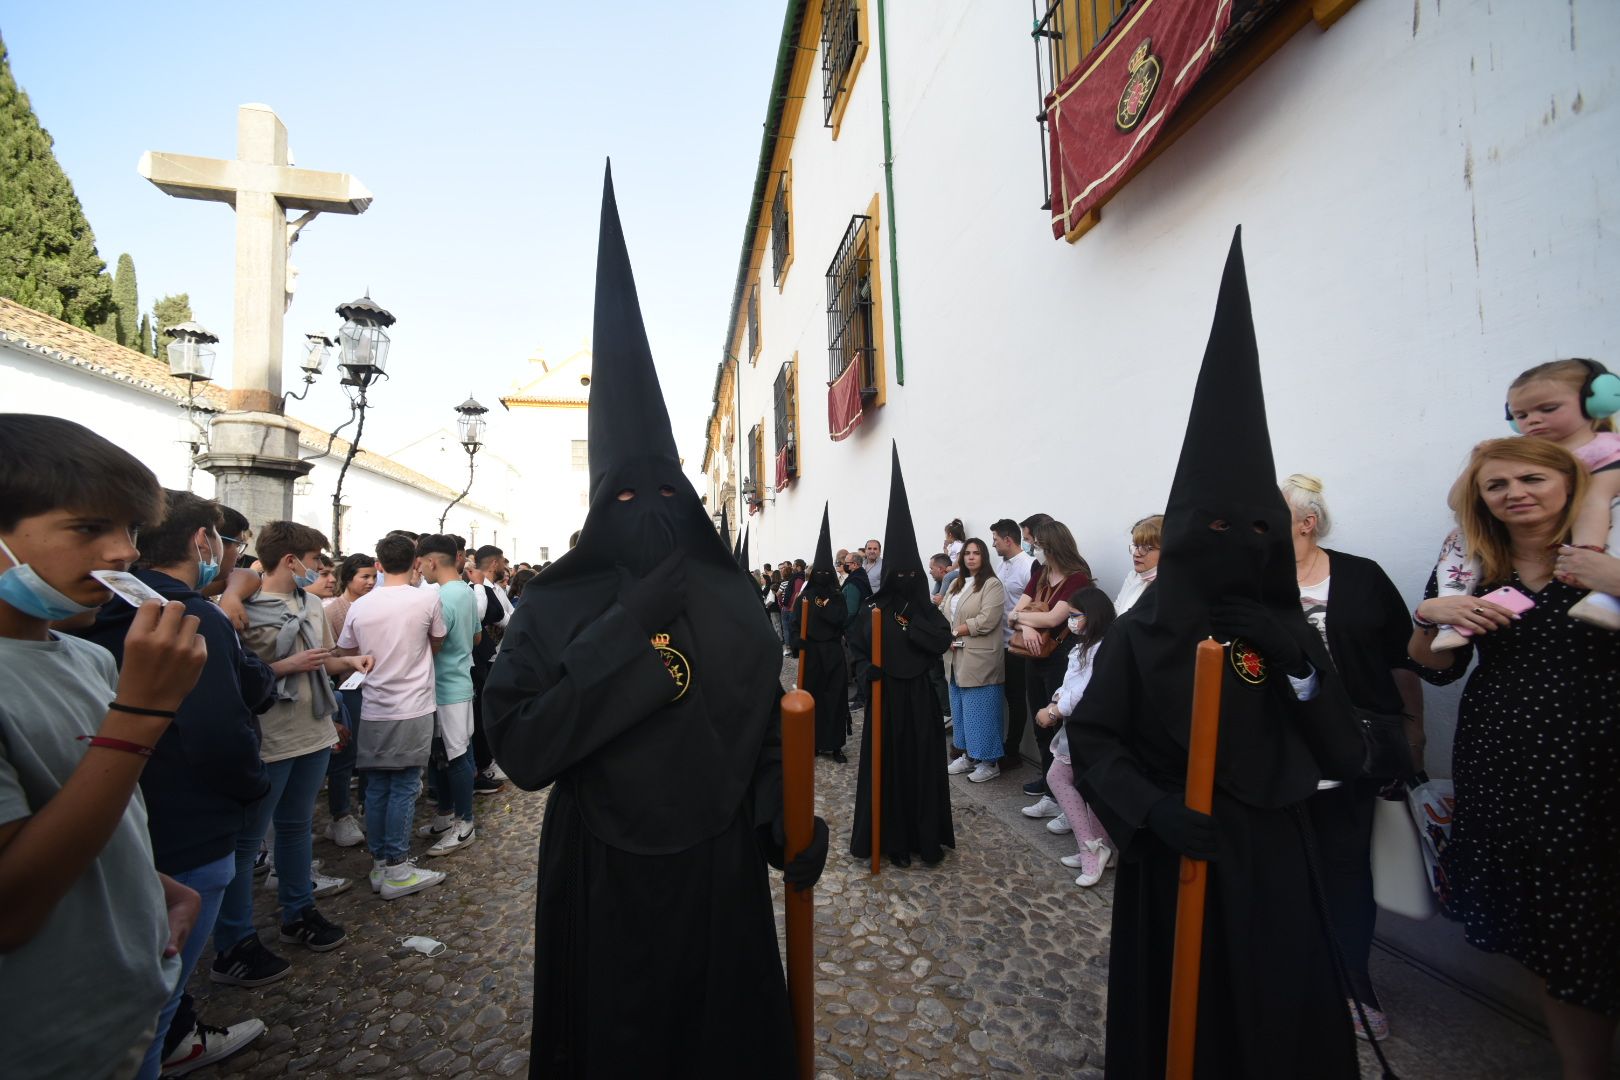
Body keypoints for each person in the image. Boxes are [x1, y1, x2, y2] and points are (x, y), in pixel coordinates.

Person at [483, 166, 827, 1075]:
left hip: (718, 878)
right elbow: (521, 750)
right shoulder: (554, 606)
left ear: (689, 499)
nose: (645, 509)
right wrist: (624, 629)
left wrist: (783, 825)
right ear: (598, 507)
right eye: (623, 493)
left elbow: (755, 735)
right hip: (601, 876)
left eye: (663, 492)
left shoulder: (733, 606)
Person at [1067, 233, 1364, 1077]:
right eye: (1221, 530)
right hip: (1177, 865)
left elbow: (1341, 749)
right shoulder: (1144, 629)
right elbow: (1095, 741)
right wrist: (1152, 813)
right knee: (1184, 1029)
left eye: (1258, 532)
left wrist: (1300, 663)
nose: (1241, 547)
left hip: (1275, 862)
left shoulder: (1287, 629)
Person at [0, 415, 246, 1080]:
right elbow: (12, 909)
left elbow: (92, 804)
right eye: (87, 529)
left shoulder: (81, 656)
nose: (121, 553)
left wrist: (154, 884)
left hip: (120, 1012)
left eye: (131, 532)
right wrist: (141, 714)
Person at [1409, 438, 1619, 1077]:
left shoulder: (1606, 552)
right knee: (1555, 937)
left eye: (1532, 478)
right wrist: (1429, 616)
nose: (1514, 493)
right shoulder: (1473, 564)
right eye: (1496, 485)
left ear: (1569, 483)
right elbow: (1434, 668)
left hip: (1602, 767)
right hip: (1509, 767)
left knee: (1598, 926)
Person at [72, 486, 277, 1073]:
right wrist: (249, 788)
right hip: (189, 821)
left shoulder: (96, 615)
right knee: (149, 1004)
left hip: (130, 820)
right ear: (201, 541)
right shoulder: (188, 614)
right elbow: (219, 728)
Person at [1277, 474, 1425, 1041]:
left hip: (1359, 751)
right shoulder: (1253, 589)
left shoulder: (1361, 576)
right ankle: (1292, 969)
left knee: (1345, 865)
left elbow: (1400, 660)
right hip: (1282, 750)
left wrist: (1413, 737)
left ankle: (1352, 980)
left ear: (1306, 522)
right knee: (1283, 863)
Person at [237, 522, 368, 951]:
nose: (320, 571)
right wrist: (284, 668)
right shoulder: (242, 607)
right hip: (270, 736)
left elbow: (324, 664)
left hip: (312, 730)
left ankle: (299, 909)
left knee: (297, 828)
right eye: (315, 562)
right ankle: (236, 936)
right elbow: (237, 676)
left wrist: (352, 663)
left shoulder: (312, 606)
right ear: (291, 561)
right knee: (248, 840)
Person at [1428, 358, 1620, 643]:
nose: (1532, 419)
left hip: (1596, 538)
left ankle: (1605, 598)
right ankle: (1452, 606)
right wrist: (1478, 461)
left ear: (1597, 401)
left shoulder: (1606, 448)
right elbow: (1461, 503)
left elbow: (1595, 501)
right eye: (1521, 414)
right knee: (1462, 535)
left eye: (1548, 409)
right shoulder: (1512, 454)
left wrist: (1586, 554)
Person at [849, 443, 956, 868]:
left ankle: (924, 839)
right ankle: (892, 840)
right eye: (903, 574)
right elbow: (857, 648)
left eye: (916, 573)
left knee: (921, 770)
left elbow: (939, 639)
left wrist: (913, 624)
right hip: (886, 699)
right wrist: (866, 671)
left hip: (920, 701)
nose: (909, 580)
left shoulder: (925, 610)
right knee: (888, 771)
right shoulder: (874, 611)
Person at [334, 533, 448, 901]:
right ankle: (397, 866)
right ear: (416, 561)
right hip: (411, 703)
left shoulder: (361, 605)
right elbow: (436, 641)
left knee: (379, 786)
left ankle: (382, 861)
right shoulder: (427, 598)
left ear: (379, 565)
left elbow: (347, 650)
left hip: (374, 704)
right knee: (402, 786)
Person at [1010, 520, 1092, 821]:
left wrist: (1025, 622)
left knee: (1059, 726)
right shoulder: (1041, 574)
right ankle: (1049, 789)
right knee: (1040, 722)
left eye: (1037, 545)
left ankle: (1064, 797)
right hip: (1034, 657)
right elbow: (1013, 613)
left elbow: (1055, 618)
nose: (1034, 549)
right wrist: (1026, 623)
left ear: (1052, 545)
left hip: (1061, 657)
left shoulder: (1076, 579)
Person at [1035, 586, 1116, 886]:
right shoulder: (1084, 646)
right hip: (1077, 724)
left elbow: (1085, 691)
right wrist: (1055, 702)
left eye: (1074, 616)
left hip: (1091, 727)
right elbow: (1069, 684)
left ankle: (1091, 848)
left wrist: (1054, 711)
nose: (1070, 621)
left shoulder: (1102, 648)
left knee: (1061, 778)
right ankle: (1098, 846)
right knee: (1080, 783)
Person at [415, 534, 481, 856]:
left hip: (447, 686)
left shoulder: (442, 597)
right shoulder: (465, 591)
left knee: (455, 756)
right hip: (457, 680)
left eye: (421, 564)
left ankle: (464, 823)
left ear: (431, 561)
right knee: (445, 756)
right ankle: (445, 815)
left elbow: (433, 643)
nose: (421, 571)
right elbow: (478, 636)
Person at [941, 538, 1007, 782]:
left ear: (983, 557)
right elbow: (943, 612)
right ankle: (969, 755)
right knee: (959, 709)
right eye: (967, 553)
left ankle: (989, 762)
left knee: (981, 711)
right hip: (954, 656)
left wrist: (956, 631)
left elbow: (988, 619)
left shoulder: (991, 584)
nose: (970, 557)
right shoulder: (956, 584)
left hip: (979, 657)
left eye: (976, 553)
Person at [323, 552, 375, 847]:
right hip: (347, 689)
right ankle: (340, 814)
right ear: (349, 579)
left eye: (372, 576)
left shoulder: (376, 606)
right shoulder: (333, 611)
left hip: (374, 686)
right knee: (346, 755)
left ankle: (366, 806)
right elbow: (330, 656)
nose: (369, 582)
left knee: (369, 752)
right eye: (363, 577)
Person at [796, 506, 852, 762]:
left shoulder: (837, 596)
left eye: (824, 573)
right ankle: (813, 742)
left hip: (832, 651)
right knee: (813, 696)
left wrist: (827, 609)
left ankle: (835, 744)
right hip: (812, 653)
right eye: (816, 573)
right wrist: (799, 640)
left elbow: (841, 619)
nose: (821, 577)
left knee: (835, 697)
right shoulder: (805, 596)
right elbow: (797, 621)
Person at [991, 519, 1035, 772]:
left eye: (996, 539)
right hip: (998, 643)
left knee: (1017, 699)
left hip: (1017, 645)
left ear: (1008, 540)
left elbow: (1035, 605)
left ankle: (1013, 750)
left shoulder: (1029, 566)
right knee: (1003, 697)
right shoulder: (1001, 565)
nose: (994, 544)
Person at [468, 545, 513, 795]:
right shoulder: (476, 587)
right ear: (494, 564)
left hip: (496, 655)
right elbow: (489, 615)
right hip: (483, 658)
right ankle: (484, 763)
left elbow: (510, 615)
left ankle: (491, 757)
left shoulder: (494, 588)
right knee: (482, 711)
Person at [1115, 515, 1163, 615]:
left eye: (1145, 547)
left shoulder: (1172, 586)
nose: (1136, 553)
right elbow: (1117, 610)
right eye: (1136, 546)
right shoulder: (1133, 576)